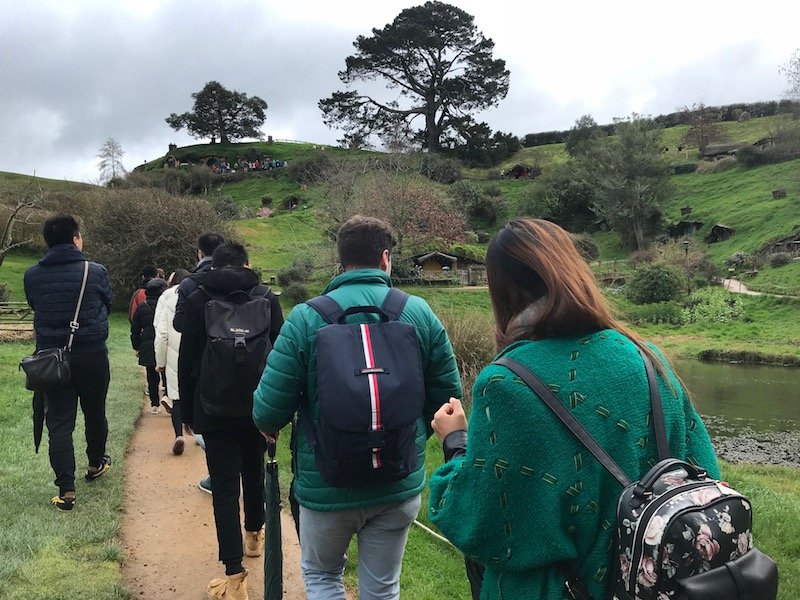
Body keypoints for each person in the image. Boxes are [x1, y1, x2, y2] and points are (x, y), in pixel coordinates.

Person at [427, 219, 720, 600]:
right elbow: (704, 479)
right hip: (655, 588)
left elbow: (486, 528)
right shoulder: (649, 358)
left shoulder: (505, 383)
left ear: (503, 291)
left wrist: (456, 441)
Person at [252, 215, 462, 600]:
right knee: (382, 589)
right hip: (397, 481)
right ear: (386, 258)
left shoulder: (305, 318)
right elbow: (447, 401)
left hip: (326, 486)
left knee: (322, 576)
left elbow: (267, 411)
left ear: (341, 261)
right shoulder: (419, 313)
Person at [178, 243, 284, 600]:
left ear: (212, 266)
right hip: (259, 406)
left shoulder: (197, 299)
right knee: (253, 469)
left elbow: (187, 358)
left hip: (213, 407)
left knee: (224, 488)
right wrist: (278, 409)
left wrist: (188, 414)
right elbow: (282, 358)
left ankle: (234, 575)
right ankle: (255, 532)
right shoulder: (268, 298)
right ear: (247, 264)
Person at [23, 214, 114, 511]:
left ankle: (66, 489)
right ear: (76, 239)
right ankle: (95, 463)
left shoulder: (32, 275)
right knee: (95, 412)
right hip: (91, 354)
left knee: (59, 423)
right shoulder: (96, 271)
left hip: (52, 358)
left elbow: (36, 306)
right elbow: (107, 304)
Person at [154, 269, 190, 454]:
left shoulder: (165, 297)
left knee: (176, 396)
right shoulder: (198, 292)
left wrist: (159, 362)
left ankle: (179, 434)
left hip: (174, 354)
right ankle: (199, 432)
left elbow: (161, 333)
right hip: (197, 351)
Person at [172, 232, 225, 333]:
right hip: (228, 344)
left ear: (200, 253)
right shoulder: (233, 280)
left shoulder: (188, 283)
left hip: (198, 344)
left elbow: (179, 324)